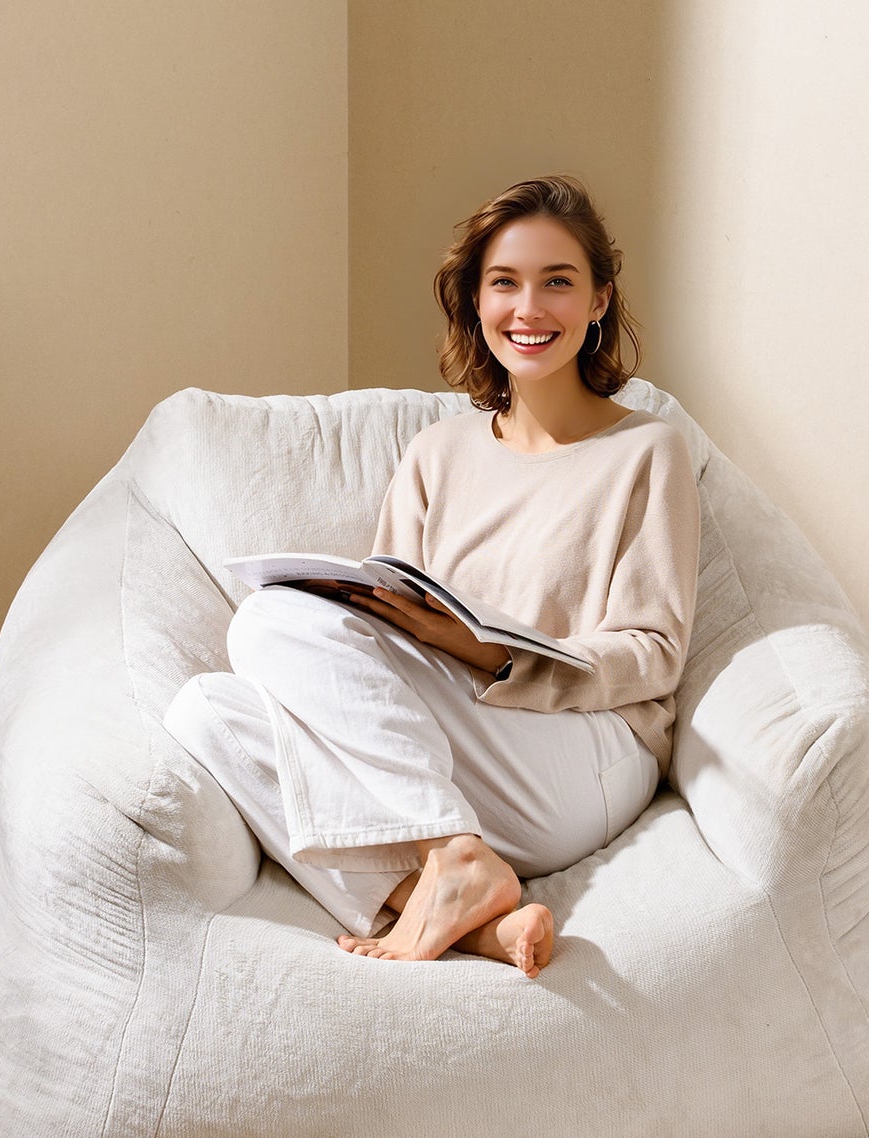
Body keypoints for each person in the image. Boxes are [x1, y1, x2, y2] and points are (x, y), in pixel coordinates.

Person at [163, 175, 700, 980]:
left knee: (264, 626)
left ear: (598, 301)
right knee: (206, 710)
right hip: (453, 756)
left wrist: (492, 653)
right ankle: (470, 910)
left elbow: (655, 650)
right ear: (475, 305)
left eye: (558, 281)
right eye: (504, 283)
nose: (529, 308)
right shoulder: (435, 454)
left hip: (585, 753)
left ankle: (453, 854)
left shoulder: (647, 450)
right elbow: (385, 633)